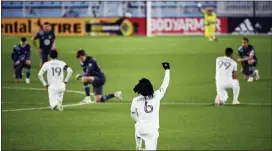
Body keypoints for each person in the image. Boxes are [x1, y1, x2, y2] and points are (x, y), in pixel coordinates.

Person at [130, 62, 170, 150]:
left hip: (140, 129)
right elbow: (165, 84)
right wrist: (167, 70)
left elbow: (132, 115)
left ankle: (138, 146)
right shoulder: (157, 95)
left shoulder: (135, 100)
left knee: (137, 126)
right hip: (152, 131)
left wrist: (138, 121)